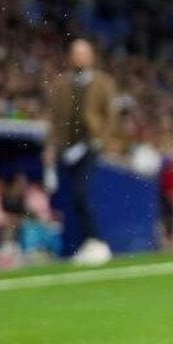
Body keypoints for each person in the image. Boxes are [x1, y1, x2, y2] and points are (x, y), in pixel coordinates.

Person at [45, 38, 121, 266]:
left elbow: (111, 114)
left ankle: (96, 241)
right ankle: (87, 243)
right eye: (75, 53)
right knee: (72, 196)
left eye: (83, 53)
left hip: (90, 145)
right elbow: (55, 118)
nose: (78, 58)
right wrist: (52, 146)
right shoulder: (61, 84)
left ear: (91, 56)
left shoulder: (103, 83)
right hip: (68, 147)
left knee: (81, 193)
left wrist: (102, 139)